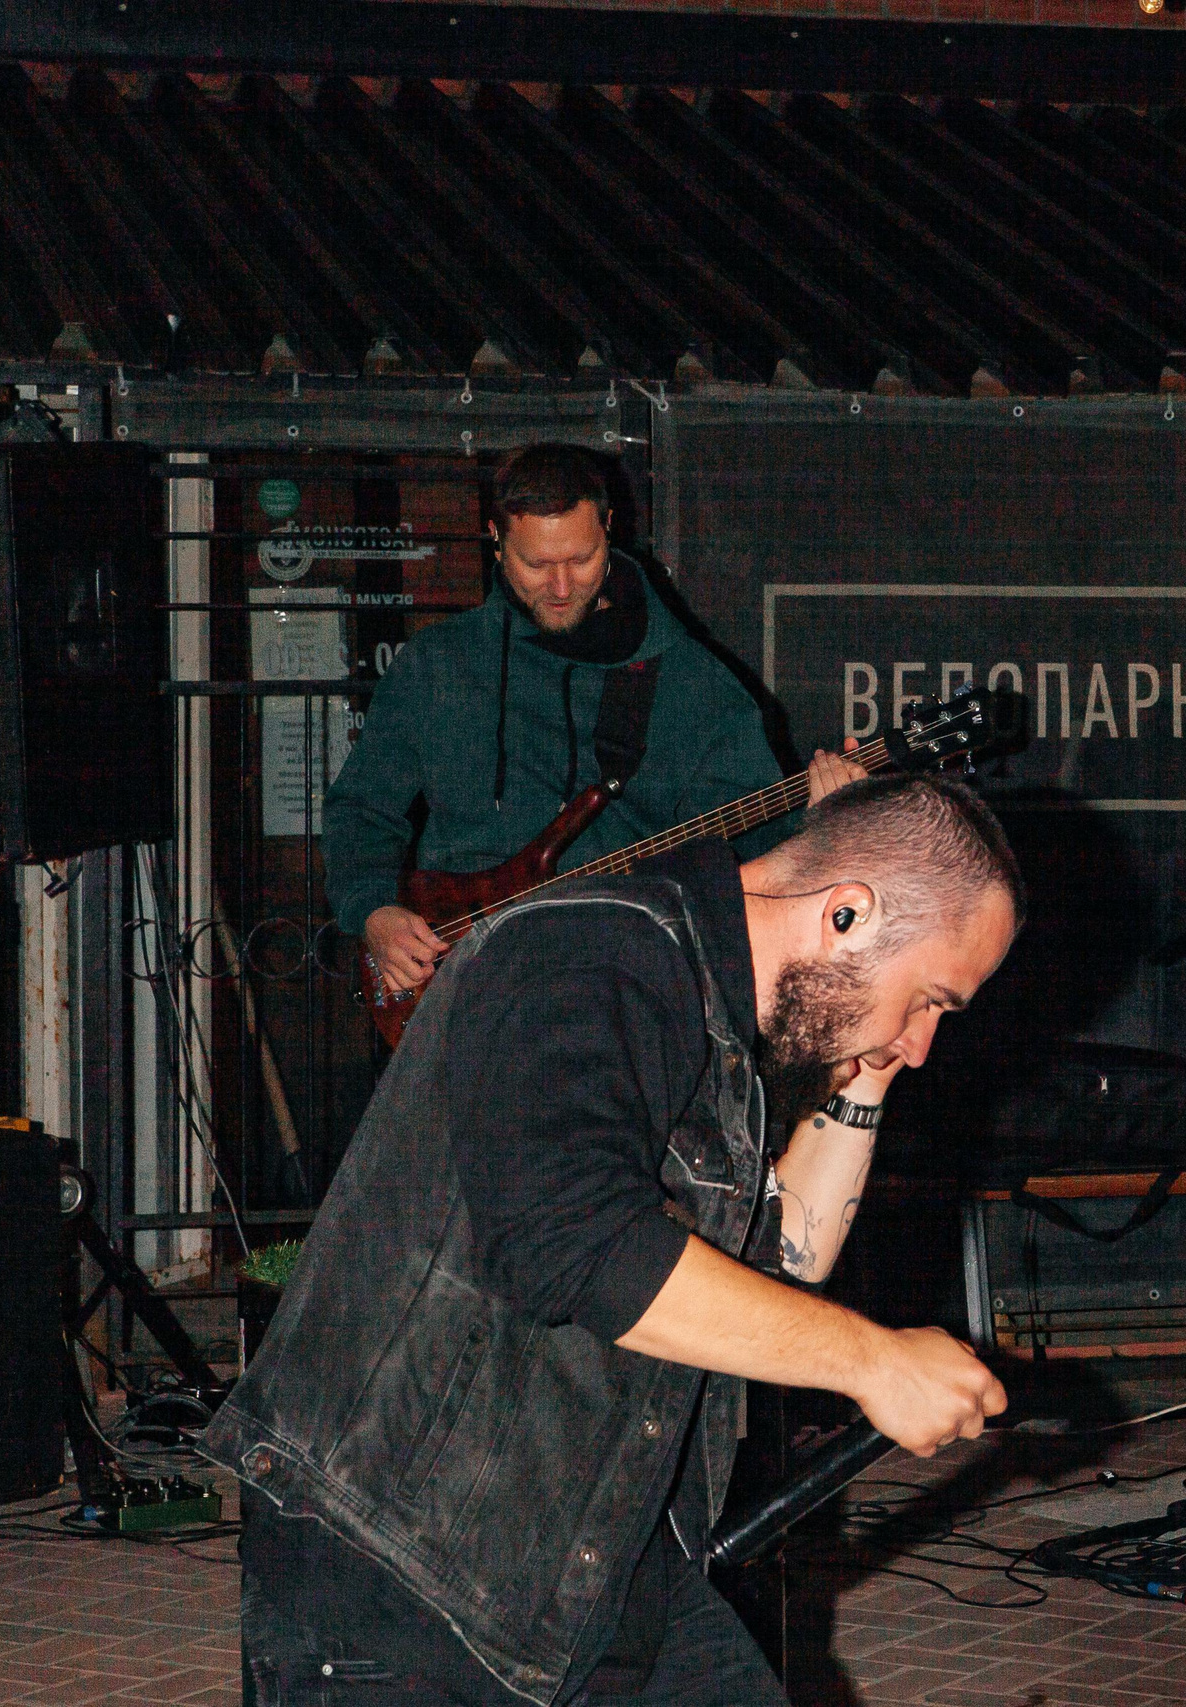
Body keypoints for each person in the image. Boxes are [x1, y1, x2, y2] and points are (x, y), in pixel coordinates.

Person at [205, 774, 1025, 1706]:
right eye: (931, 1000)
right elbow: (573, 1243)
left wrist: (865, 1071)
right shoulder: (589, 951)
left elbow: (781, 1262)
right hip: (404, 1579)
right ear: (846, 913)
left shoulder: (714, 1019)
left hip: (597, 1567)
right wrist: (871, 1360)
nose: (923, 1044)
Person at [327, 441, 861, 1000]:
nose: (561, 587)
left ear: (609, 527)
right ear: (496, 538)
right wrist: (373, 911)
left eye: (581, 559)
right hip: (460, 996)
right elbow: (361, 807)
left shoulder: (692, 684)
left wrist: (821, 822)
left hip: (621, 991)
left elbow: (754, 849)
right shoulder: (438, 666)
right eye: (537, 564)